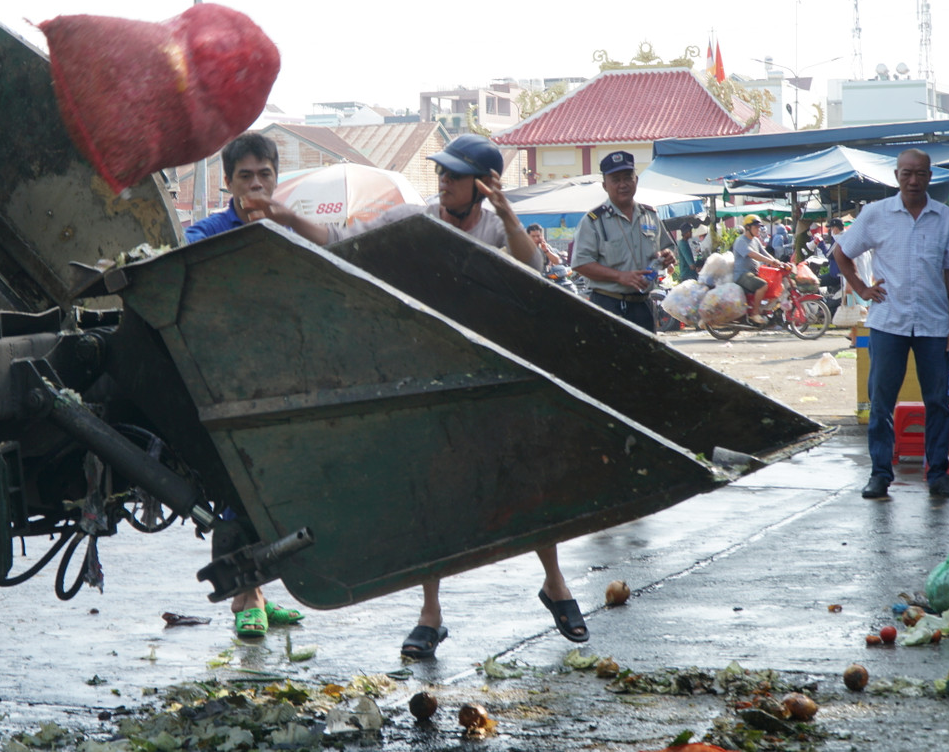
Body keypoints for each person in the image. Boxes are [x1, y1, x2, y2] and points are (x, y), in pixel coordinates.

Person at [242, 134, 590, 656]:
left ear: (483, 185)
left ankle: (555, 584)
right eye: (442, 173)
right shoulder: (416, 218)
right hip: (427, 367)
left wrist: (510, 214)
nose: (443, 182)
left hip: (490, 370)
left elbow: (531, 271)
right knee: (428, 494)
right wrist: (289, 219)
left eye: (454, 176)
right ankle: (430, 614)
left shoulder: (497, 225)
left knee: (526, 477)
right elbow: (337, 235)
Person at [181, 133, 306, 637]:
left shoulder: (290, 228)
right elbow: (179, 262)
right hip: (226, 381)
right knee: (239, 486)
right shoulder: (209, 232)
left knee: (273, 487)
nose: (257, 185)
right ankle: (245, 597)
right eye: (246, 176)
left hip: (283, 375)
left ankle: (259, 590)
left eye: (265, 175)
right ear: (228, 182)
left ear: (277, 177)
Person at [832, 149, 949, 500]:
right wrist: (862, 289)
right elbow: (841, 252)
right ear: (896, 175)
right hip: (888, 322)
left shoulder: (945, 218)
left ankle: (938, 475)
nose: (913, 180)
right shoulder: (876, 214)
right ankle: (880, 475)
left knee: (937, 402)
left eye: (920, 173)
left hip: (934, 326)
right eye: (907, 173)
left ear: (929, 176)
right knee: (881, 402)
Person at [570, 151, 676, 331]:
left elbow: (666, 249)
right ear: (605, 185)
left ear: (636, 180)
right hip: (608, 305)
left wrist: (666, 257)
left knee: (645, 358)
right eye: (616, 179)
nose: (623, 185)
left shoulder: (650, 216)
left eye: (627, 178)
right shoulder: (594, 221)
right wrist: (620, 276)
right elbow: (581, 263)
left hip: (643, 306)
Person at [732, 215, 777, 324]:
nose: (758, 230)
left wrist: (778, 262)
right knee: (762, 285)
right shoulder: (741, 241)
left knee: (773, 285)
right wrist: (771, 262)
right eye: (755, 227)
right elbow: (753, 254)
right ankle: (754, 314)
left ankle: (766, 312)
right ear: (748, 228)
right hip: (742, 275)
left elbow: (765, 253)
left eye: (759, 227)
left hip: (753, 273)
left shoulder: (756, 240)